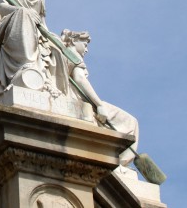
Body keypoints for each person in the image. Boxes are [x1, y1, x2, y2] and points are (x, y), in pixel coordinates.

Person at [60, 30, 140, 167]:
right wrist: (99, 105)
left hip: (78, 99)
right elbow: (79, 79)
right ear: (73, 41)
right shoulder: (73, 56)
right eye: (85, 44)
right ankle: (120, 164)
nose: (86, 49)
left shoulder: (63, 53)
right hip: (82, 100)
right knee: (131, 122)